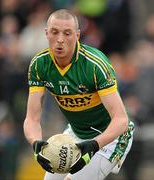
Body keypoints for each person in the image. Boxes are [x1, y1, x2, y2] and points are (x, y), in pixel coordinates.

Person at [23, 9, 134, 180]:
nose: (60, 39)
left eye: (67, 33)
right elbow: (32, 118)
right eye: (54, 32)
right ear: (46, 33)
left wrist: (95, 145)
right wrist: (36, 143)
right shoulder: (39, 65)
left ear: (77, 35)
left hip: (112, 137)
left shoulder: (95, 65)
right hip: (76, 134)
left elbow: (121, 120)